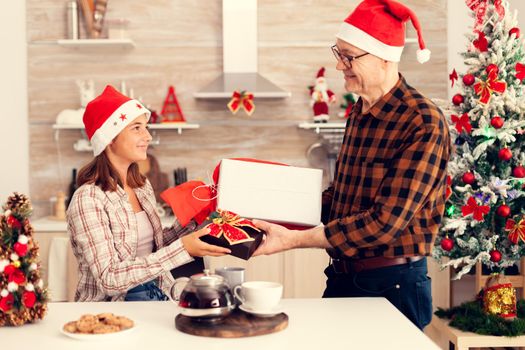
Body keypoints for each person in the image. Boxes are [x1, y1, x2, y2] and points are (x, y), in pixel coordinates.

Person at [253, 0, 450, 330]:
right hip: (344, 277)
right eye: (338, 53)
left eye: (350, 56)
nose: (339, 65)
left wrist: (294, 240)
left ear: (385, 57)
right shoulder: (359, 112)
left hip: (393, 286)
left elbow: (385, 222)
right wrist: (270, 207)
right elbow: (341, 201)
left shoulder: (422, 122)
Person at [67, 85, 230, 302]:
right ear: (110, 138)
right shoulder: (87, 199)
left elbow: (154, 248)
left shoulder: (141, 187)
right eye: (136, 128)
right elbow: (109, 279)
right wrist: (184, 248)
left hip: (155, 299)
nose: (148, 136)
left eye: (146, 127)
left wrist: (197, 220)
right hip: (108, 315)